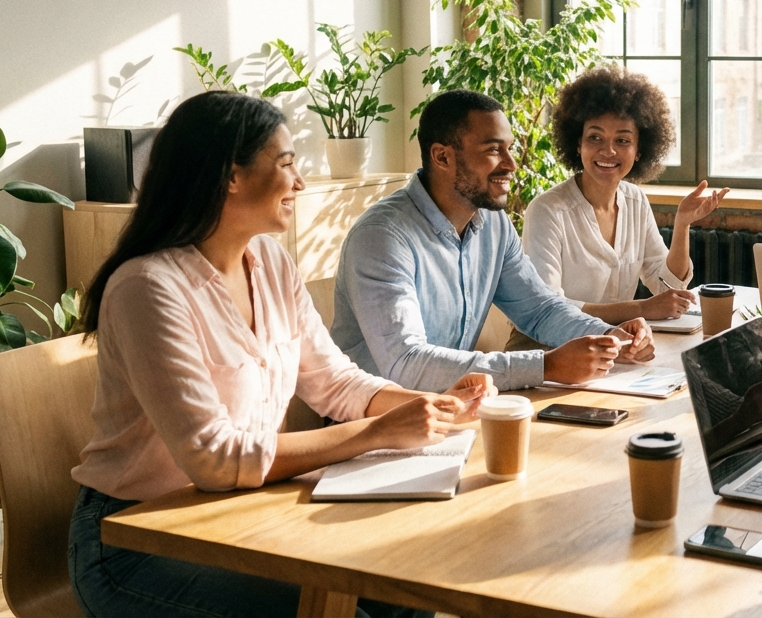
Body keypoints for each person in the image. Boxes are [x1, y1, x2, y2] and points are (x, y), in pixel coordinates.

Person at [69, 92, 491, 618]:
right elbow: (216, 459)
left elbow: (334, 381)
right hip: (134, 540)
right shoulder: (148, 288)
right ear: (230, 175)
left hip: (237, 512)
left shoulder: (269, 260)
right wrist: (377, 433)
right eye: (287, 164)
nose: (300, 183)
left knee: (406, 588)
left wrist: (431, 404)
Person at [331, 89, 654, 394]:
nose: (511, 165)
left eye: (509, 148)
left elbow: (539, 308)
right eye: (493, 150)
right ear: (442, 157)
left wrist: (609, 336)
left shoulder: (492, 223)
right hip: (376, 427)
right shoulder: (382, 237)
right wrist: (545, 366)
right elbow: (405, 363)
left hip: (451, 409)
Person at [521, 67, 727, 324]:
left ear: (639, 150)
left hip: (615, 344)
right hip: (551, 348)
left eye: (622, 141)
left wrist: (682, 223)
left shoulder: (635, 200)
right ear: (578, 144)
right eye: (595, 137)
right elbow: (549, 309)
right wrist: (641, 309)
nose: (608, 151)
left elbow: (667, 288)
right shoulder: (547, 210)